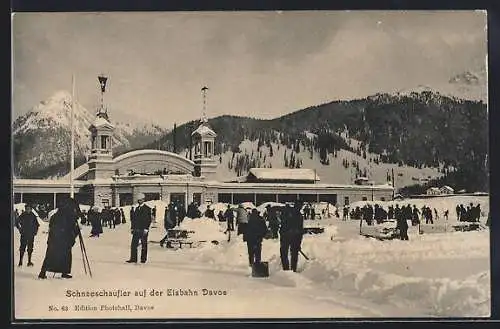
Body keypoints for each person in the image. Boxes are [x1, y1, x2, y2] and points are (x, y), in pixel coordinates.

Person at [38, 198, 81, 279]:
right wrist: (75, 229)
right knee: (63, 255)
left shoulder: (57, 215)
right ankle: (47, 272)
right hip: (61, 239)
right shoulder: (67, 215)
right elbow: (70, 228)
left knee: (52, 255)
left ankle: (45, 272)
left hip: (56, 239)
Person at [126, 193, 152, 264]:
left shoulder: (147, 209)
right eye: (138, 200)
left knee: (144, 244)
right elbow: (134, 220)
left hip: (143, 229)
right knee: (134, 244)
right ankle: (133, 258)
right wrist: (132, 228)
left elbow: (148, 220)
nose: (139, 201)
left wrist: (146, 228)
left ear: (143, 200)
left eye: (140, 200)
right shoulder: (136, 209)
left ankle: (143, 259)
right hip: (136, 229)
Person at [280, 202, 304, 272]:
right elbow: (300, 231)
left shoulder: (288, 212)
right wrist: (299, 243)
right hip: (292, 237)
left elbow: (300, 231)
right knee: (293, 253)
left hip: (287, 236)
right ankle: (292, 269)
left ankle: (286, 269)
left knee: (285, 253)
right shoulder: (298, 215)